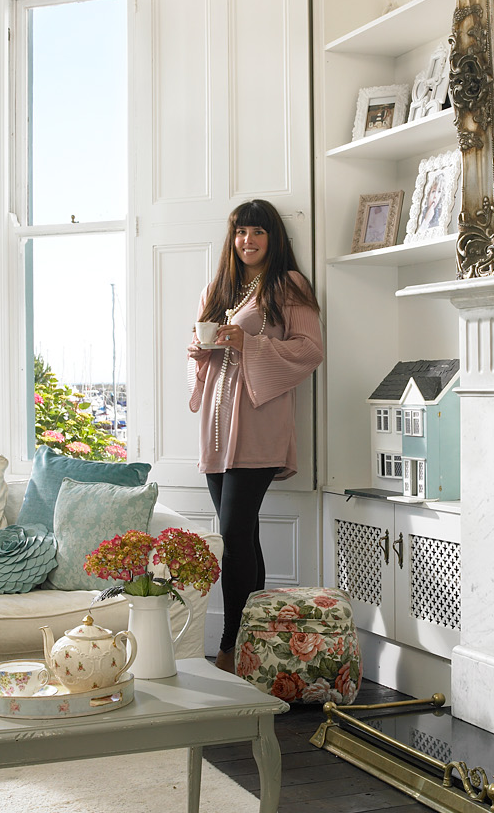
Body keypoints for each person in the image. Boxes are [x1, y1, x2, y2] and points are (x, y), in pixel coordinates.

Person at [188, 199, 323, 675]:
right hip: (218, 428)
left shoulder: (288, 286)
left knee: (232, 536)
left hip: (259, 425)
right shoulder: (220, 288)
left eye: (257, 233)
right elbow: (204, 362)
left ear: (273, 238)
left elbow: (309, 351)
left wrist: (251, 344)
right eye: (241, 233)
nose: (248, 241)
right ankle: (255, 647)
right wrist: (200, 353)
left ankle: (229, 646)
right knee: (244, 537)